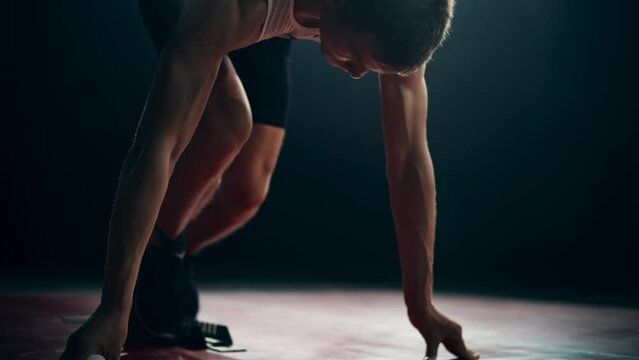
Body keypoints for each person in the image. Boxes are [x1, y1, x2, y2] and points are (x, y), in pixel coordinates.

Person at [61, 0, 479, 359]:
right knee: (228, 124)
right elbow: (156, 146)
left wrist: (420, 303)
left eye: (371, 66)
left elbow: (408, 162)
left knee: (247, 192)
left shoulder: (398, 15)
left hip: (287, 20)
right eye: (354, 54)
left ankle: (160, 261)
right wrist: (111, 307)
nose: (355, 75)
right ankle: (141, 286)